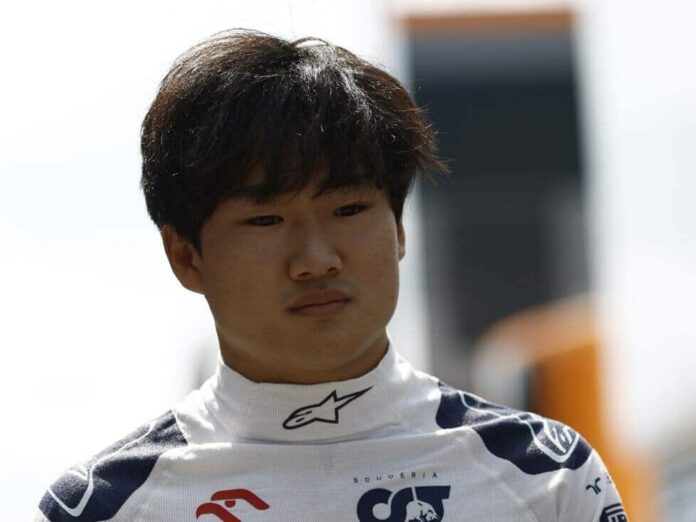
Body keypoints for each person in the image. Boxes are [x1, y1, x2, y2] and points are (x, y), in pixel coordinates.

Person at [36, 29, 626, 522]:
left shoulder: (545, 478)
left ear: (399, 230)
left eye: (348, 210)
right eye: (265, 220)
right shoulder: (103, 507)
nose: (316, 259)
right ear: (186, 257)